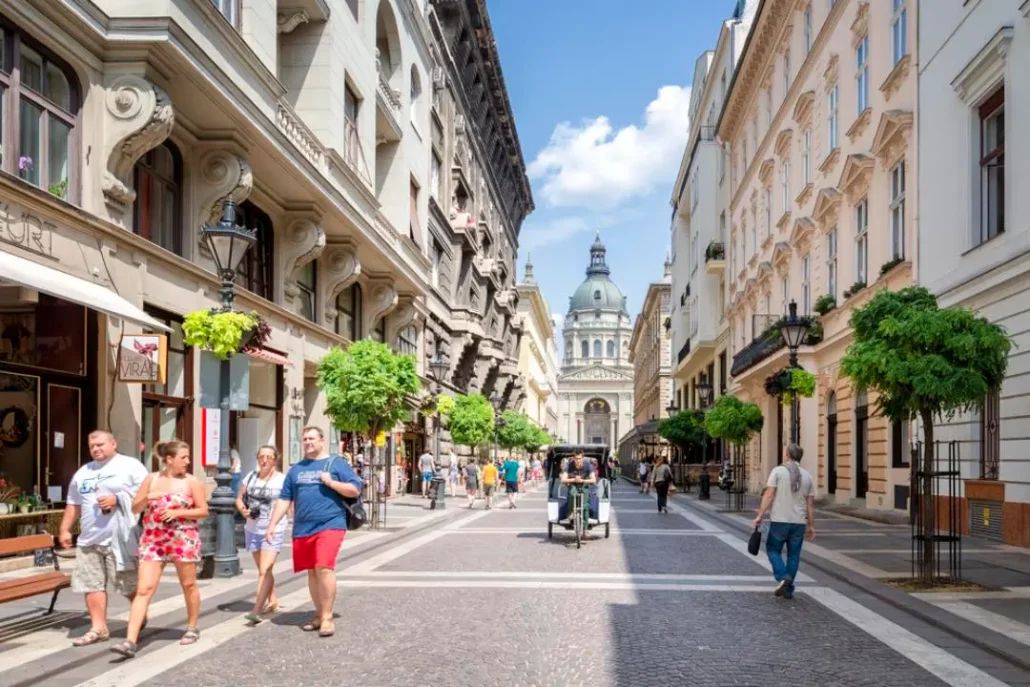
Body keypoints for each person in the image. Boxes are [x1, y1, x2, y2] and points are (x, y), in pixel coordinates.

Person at [111, 440, 208, 657]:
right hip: (153, 539)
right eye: (184, 457)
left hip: (183, 537)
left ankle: (192, 627)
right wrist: (147, 498)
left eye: (187, 457)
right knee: (144, 589)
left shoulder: (192, 482)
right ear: (169, 459)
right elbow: (135, 508)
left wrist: (178, 513)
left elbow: (203, 510)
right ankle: (130, 641)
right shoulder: (151, 479)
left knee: (188, 584)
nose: (188, 461)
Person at [265, 427, 362, 637]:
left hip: (331, 523)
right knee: (312, 571)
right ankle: (319, 614)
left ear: (322, 440)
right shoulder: (296, 469)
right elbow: (284, 499)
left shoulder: (337, 464)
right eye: (305, 438)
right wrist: (272, 525)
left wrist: (331, 482)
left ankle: (327, 617)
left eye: (312, 438)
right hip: (303, 527)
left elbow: (355, 489)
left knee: (324, 567)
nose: (308, 442)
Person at [60, 430, 149, 647]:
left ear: (113, 443)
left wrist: (117, 499)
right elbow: (74, 503)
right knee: (91, 585)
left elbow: (146, 496)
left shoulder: (131, 466)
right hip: (89, 539)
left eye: (101, 445)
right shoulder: (83, 471)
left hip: (120, 538)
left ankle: (139, 613)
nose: (97, 449)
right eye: (93, 446)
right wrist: (64, 529)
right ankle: (98, 628)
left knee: (127, 586)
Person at [752, 443, 816, 599]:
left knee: (773, 550)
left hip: (780, 520)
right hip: (799, 522)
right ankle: (788, 589)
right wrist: (811, 525)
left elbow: (769, 495)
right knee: (793, 556)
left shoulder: (778, 471)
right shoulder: (807, 476)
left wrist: (760, 515)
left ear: (787, 454)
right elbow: (810, 504)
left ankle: (782, 576)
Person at [236, 446, 287, 624]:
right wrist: (242, 510)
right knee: (263, 570)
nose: (264, 460)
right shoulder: (250, 477)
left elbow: (289, 502)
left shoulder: (282, 480)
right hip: (252, 529)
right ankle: (272, 600)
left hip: (274, 529)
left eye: (269, 457)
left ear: (275, 459)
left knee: (265, 570)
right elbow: (239, 498)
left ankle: (256, 609)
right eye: (261, 457)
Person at [560, 452, 598, 538]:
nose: (578, 461)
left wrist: (582, 481)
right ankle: (570, 511)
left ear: (582, 458)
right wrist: (574, 479)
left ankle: (585, 530)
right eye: (576, 459)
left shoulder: (587, 465)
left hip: (584, 485)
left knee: (585, 506)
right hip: (573, 485)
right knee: (571, 493)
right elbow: (563, 480)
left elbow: (593, 480)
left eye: (580, 458)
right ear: (574, 458)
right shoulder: (569, 465)